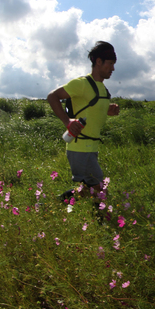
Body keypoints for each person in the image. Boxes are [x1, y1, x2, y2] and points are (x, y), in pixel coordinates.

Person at [47, 41, 120, 202]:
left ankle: (58, 202)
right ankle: (101, 222)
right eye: (110, 63)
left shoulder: (102, 89)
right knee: (100, 189)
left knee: (88, 188)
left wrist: (108, 109)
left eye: (114, 64)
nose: (113, 68)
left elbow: (91, 109)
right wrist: (67, 121)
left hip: (91, 147)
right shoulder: (81, 84)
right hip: (80, 147)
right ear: (98, 62)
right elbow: (52, 96)